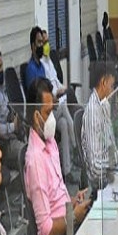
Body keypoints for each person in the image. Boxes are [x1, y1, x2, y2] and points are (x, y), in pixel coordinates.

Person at [24, 78, 90, 235]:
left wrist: (74, 201)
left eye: (52, 110)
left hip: (69, 223)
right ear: (36, 116)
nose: (52, 118)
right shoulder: (35, 160)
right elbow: (45, 232)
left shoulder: (50, 142)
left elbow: (56, 198)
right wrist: (73, 217)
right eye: (48, 113)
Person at [83, 62, 118, 190]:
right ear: (103, 83)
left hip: (111, 173)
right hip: (101, 184)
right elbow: (95, 167)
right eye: (112, 85)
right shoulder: (92, 113)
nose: (113, 90)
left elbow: (110, 146)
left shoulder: (104, 105)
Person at [40, 30, 78, 183]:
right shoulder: (41, 66)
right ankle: (77, 146)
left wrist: (64, 88)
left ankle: (67, 171)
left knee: (63, 124)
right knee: (63, 108)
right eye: (44, 42)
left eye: (48, 41)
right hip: (49, 111)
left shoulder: (49, 61)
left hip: (58, 107)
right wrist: (58, 93)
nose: (47, 45)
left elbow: (56, 81)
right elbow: (47, 92)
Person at [0, 48, 24, 170]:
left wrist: (15, 117)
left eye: (2, 66)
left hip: (14, 136)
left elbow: (9, 109)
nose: (2, 70)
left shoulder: (3, 88)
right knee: (27, 154)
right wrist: (13, 126)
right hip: (5, 145)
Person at [24, 26, 46, 90]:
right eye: (39, 42)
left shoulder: (42, 66)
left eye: (42, 42)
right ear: (33, 46)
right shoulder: (30, 69)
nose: (41, 45)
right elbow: (34, 93)